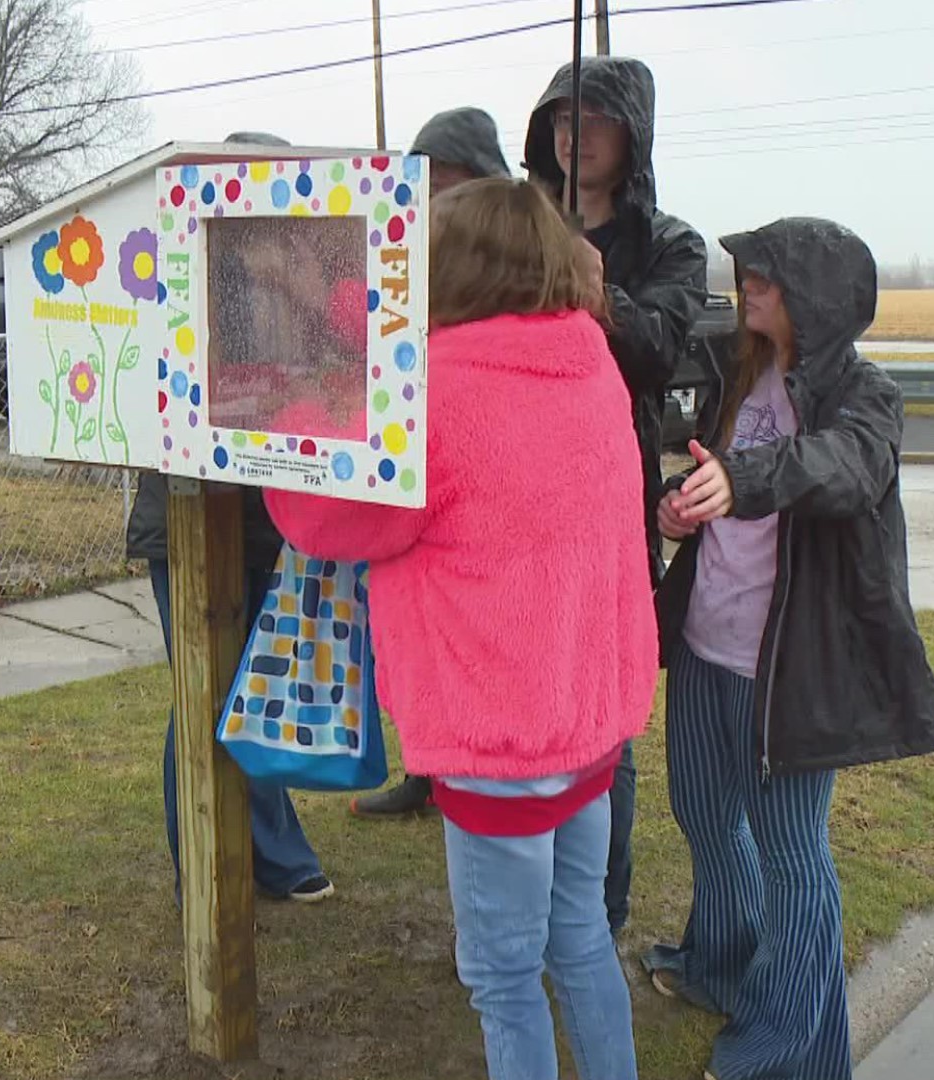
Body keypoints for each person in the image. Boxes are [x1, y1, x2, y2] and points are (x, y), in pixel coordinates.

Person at [265, 178, 657, 1080]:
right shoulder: (588, 359)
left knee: (501, 973)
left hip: (497, 732)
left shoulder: (434, 394)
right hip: (586, 721)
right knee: (582, 941)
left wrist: (288, 418)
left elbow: (332, 520)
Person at [643, 217, 934, 1080]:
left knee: (791, 855)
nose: (748, 287)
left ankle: (785, 1046)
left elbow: (845, 469)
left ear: (812, 297)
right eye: (748, 274)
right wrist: (683, 503)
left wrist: (743, 482)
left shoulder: (865, 395)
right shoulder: (741, 376)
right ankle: (717, 968)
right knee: (705, 816)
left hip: (788, 673)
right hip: (707, 646)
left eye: (766, 278)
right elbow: (716, 477)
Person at [523, 55, 709, 936]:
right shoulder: (519, 222)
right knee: (525, 693)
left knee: (604, 706)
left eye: (593, 119)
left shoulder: (671, 244)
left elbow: (657, 354)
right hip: (515, 488)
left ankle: (598, 909)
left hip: (606, 488)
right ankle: (525, 894)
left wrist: (593, 285)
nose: (573, 133)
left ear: (631, 136)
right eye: (562, 116)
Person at [127, 131, 333, 905]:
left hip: (269, 514)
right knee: (204, 689)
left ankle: (272, 854)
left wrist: (303, 290)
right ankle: (206, 864)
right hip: (185, 514)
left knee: (259, 688)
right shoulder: (186, 266)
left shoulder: (304, 269)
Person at [349, 105, 513, 819]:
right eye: (423, 180)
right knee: (416, 632)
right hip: (418, 471)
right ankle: (429, 770)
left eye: (443, 181)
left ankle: (473, 777)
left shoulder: (509, 257)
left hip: (483, 489)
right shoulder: (409, 248)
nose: (430, 196)